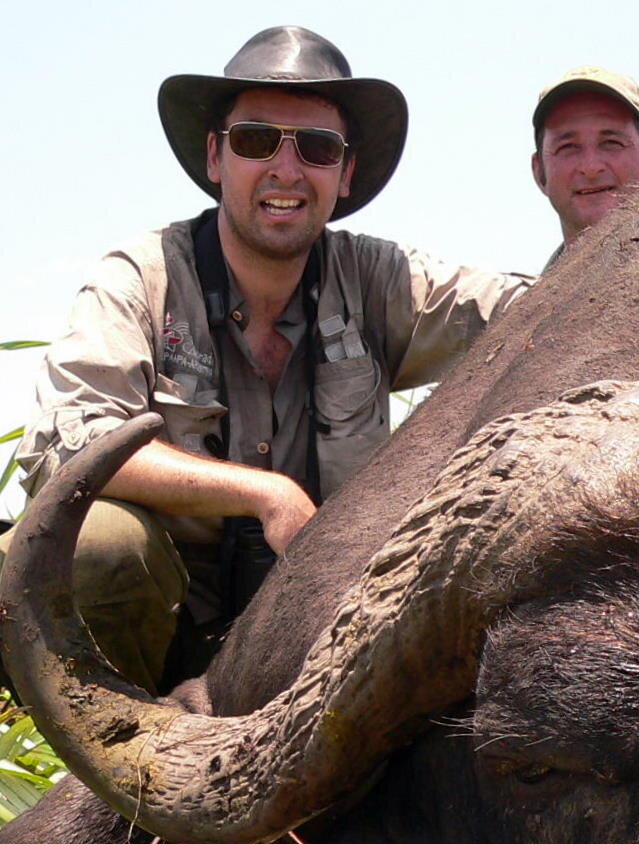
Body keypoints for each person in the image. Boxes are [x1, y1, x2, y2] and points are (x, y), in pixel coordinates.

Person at [9, 27, 532, 692]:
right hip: (154, 631)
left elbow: (543, 309)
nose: (286, 170)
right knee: (99, 549)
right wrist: (265, 494)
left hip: (311, 638)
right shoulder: (140, 277)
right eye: (257, 140)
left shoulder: (380, 280)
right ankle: (104, 776)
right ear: (215, 158)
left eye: (315, 148)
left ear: (343, 174)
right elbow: (73, 447)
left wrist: (607, 217)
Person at [531, 67, 639, 264]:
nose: (591, 168)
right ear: (539, 172)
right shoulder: (523, 295)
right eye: (568, 147)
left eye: (611, 143)